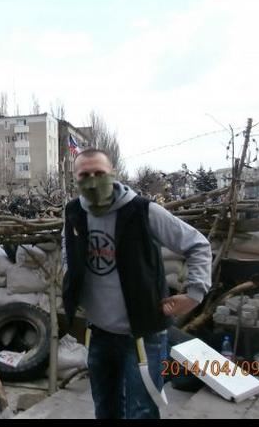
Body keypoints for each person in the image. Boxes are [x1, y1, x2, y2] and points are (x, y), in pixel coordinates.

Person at [61, 149, 212, 419]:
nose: (92, 181)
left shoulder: (143, 211)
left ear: (113, 174)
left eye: (100, 174)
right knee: (105, 409)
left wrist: (194, 294)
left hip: (143, 334)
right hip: (99, 334)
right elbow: (67, 248)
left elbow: (198, 244)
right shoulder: (73, 212)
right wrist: (71, 279)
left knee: (140, 411)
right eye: (85, 175)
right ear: (75, 178)